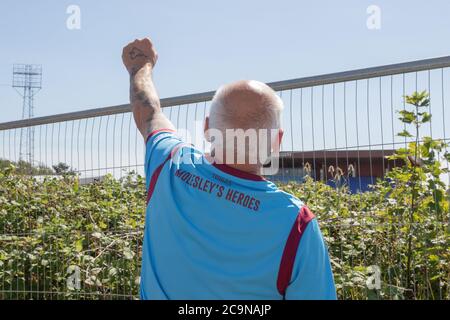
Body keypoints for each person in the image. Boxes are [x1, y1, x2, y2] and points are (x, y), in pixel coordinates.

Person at [122, 37, 336, 300]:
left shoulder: (168, 162)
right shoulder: (298, 224)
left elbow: (147, 111)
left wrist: (140, 64)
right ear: (276, 141)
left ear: (207, 127)